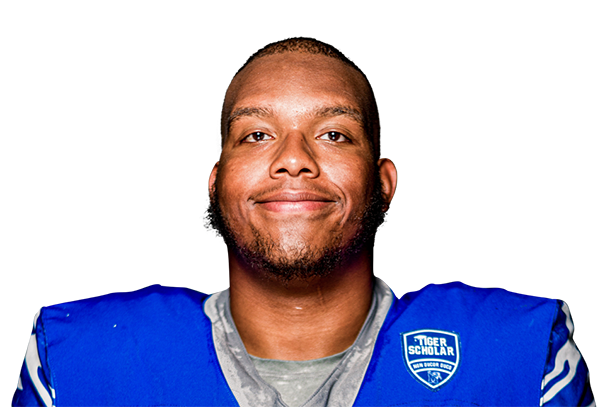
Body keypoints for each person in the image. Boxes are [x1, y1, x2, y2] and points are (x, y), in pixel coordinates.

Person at [15, 38, 595, 407]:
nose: (294, 158)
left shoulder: (520, 355)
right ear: (217, 182)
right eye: (256, 134)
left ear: (383, 181)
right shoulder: (77, 361)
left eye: (334, 134)